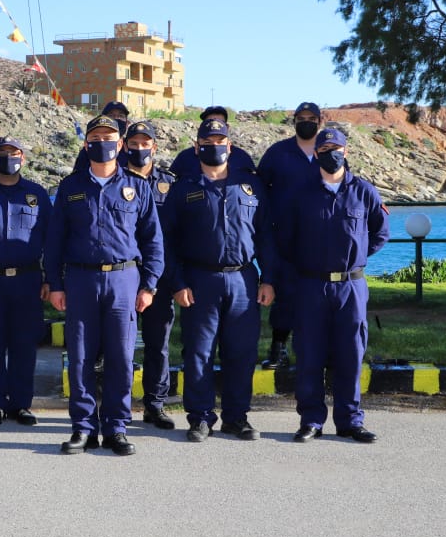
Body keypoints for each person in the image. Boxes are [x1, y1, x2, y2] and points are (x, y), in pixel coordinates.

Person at [44, 115, 164, 456]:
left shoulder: (137, 187)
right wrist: (54, 284)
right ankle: (83, 427)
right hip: (81, 278)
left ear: (120, 144)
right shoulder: (70, 187)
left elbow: (153, 241)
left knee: (121, 357)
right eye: (95, 137)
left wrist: (150, 285)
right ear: (87, 144)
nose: (103, 143)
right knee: (80, 356)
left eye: (109, 137)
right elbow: (55, 241)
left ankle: (116, 427)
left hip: (124, 279)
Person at [160, 119, 275, 443]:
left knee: (241, 352)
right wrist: (178, 283)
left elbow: (265, 235)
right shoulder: (184, 188)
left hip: (243, 280)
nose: (214, 146)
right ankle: (199, 417)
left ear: (230, 146)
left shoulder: (250, 187)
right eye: (207, 141)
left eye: (220, 140)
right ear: (197, 147)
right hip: (199, 280)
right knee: (199, 353)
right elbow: (167, 240)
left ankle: (236, 418)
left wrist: (269, 279)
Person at [278, 127, 389, 443]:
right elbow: (286, 239)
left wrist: (354, 258)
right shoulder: (301, 193)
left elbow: (380, 232)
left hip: (351, 288)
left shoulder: (364, 191)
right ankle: (311, 420)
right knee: (310, 354)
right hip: (311, 286)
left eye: (336, 148)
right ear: (316, 153)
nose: (330, 153)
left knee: (350, 354)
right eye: (324, 148)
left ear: (346, 151)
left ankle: (350, 421)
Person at [0, 136, 52, 426]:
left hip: (28, 280)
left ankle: (21, 404)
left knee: (24, 343)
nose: (8, 157)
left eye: (14, 153)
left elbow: (50, 240)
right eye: (2, 153)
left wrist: (51, 279)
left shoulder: (37, 194)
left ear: (23, 158)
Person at [256, 101, 327, 369]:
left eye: (311, 117)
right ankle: (279, 348)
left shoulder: (328, 149)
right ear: (294, 121)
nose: (306, 121)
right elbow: (259, 189)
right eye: (301, 117)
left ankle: (320, 350)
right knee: (284, 294)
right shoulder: (278, 153)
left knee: (319, 296)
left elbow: (348, 181)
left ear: (320, 121)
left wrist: (373, 199)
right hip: (283, 237)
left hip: (320, 239)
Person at [121, 121, 179, 429]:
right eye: (135, 143)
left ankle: (155, 405)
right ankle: (121, 405)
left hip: (160, 278)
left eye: (146, 144)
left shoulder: (169, 183)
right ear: (125, 146)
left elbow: (176, 234)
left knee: (158, 344)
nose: (140, 149)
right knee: (121, 344)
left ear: (154, 147)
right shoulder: (116, 180)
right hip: (125, 275)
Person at [169, 105, 256, 178]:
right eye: (209, 122)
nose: (214, 126)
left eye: (220, 123)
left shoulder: (241, 157)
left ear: (227, 127)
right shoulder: (185, 158)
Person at [71, 101, 134, 172]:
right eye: (111, 116)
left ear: (127, 123)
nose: (116, 119)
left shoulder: (133, 147)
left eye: (121, 116)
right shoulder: (91, 147)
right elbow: (78, 177)